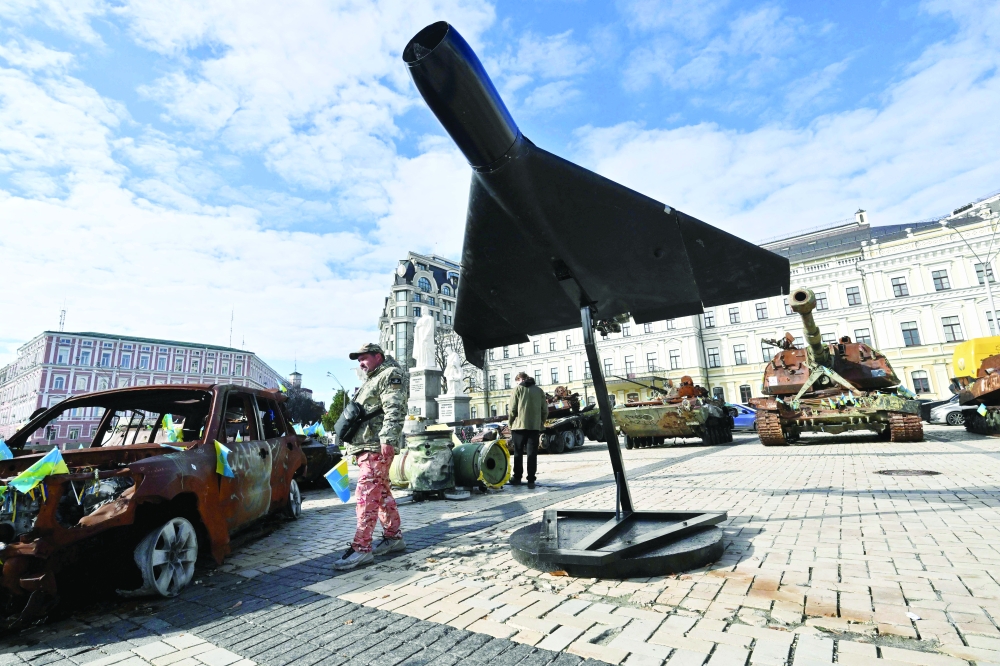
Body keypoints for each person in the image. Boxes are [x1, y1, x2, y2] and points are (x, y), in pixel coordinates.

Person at [333, 343, 408, 571]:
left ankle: (361, 548)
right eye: (358, 360)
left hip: (376, 445)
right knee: (382, 494)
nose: (361, 363)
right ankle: (394, 537)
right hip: (366, 446)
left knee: (366, 495)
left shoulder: (390, 374)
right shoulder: (373, 378)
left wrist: (388, 438)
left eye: (364, 358)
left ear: (378, 356)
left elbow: (395, 408)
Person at [508, 371, 548, 489]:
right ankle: (531, 480)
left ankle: (517, 478)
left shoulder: (517, 390)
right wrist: (540, 422)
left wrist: (510, 423)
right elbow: (544, 410)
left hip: (518, 427)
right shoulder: (539, 391)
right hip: (534, 427)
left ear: (520, 379)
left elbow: (512, 410)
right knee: (532, 453)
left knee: (518, 453)